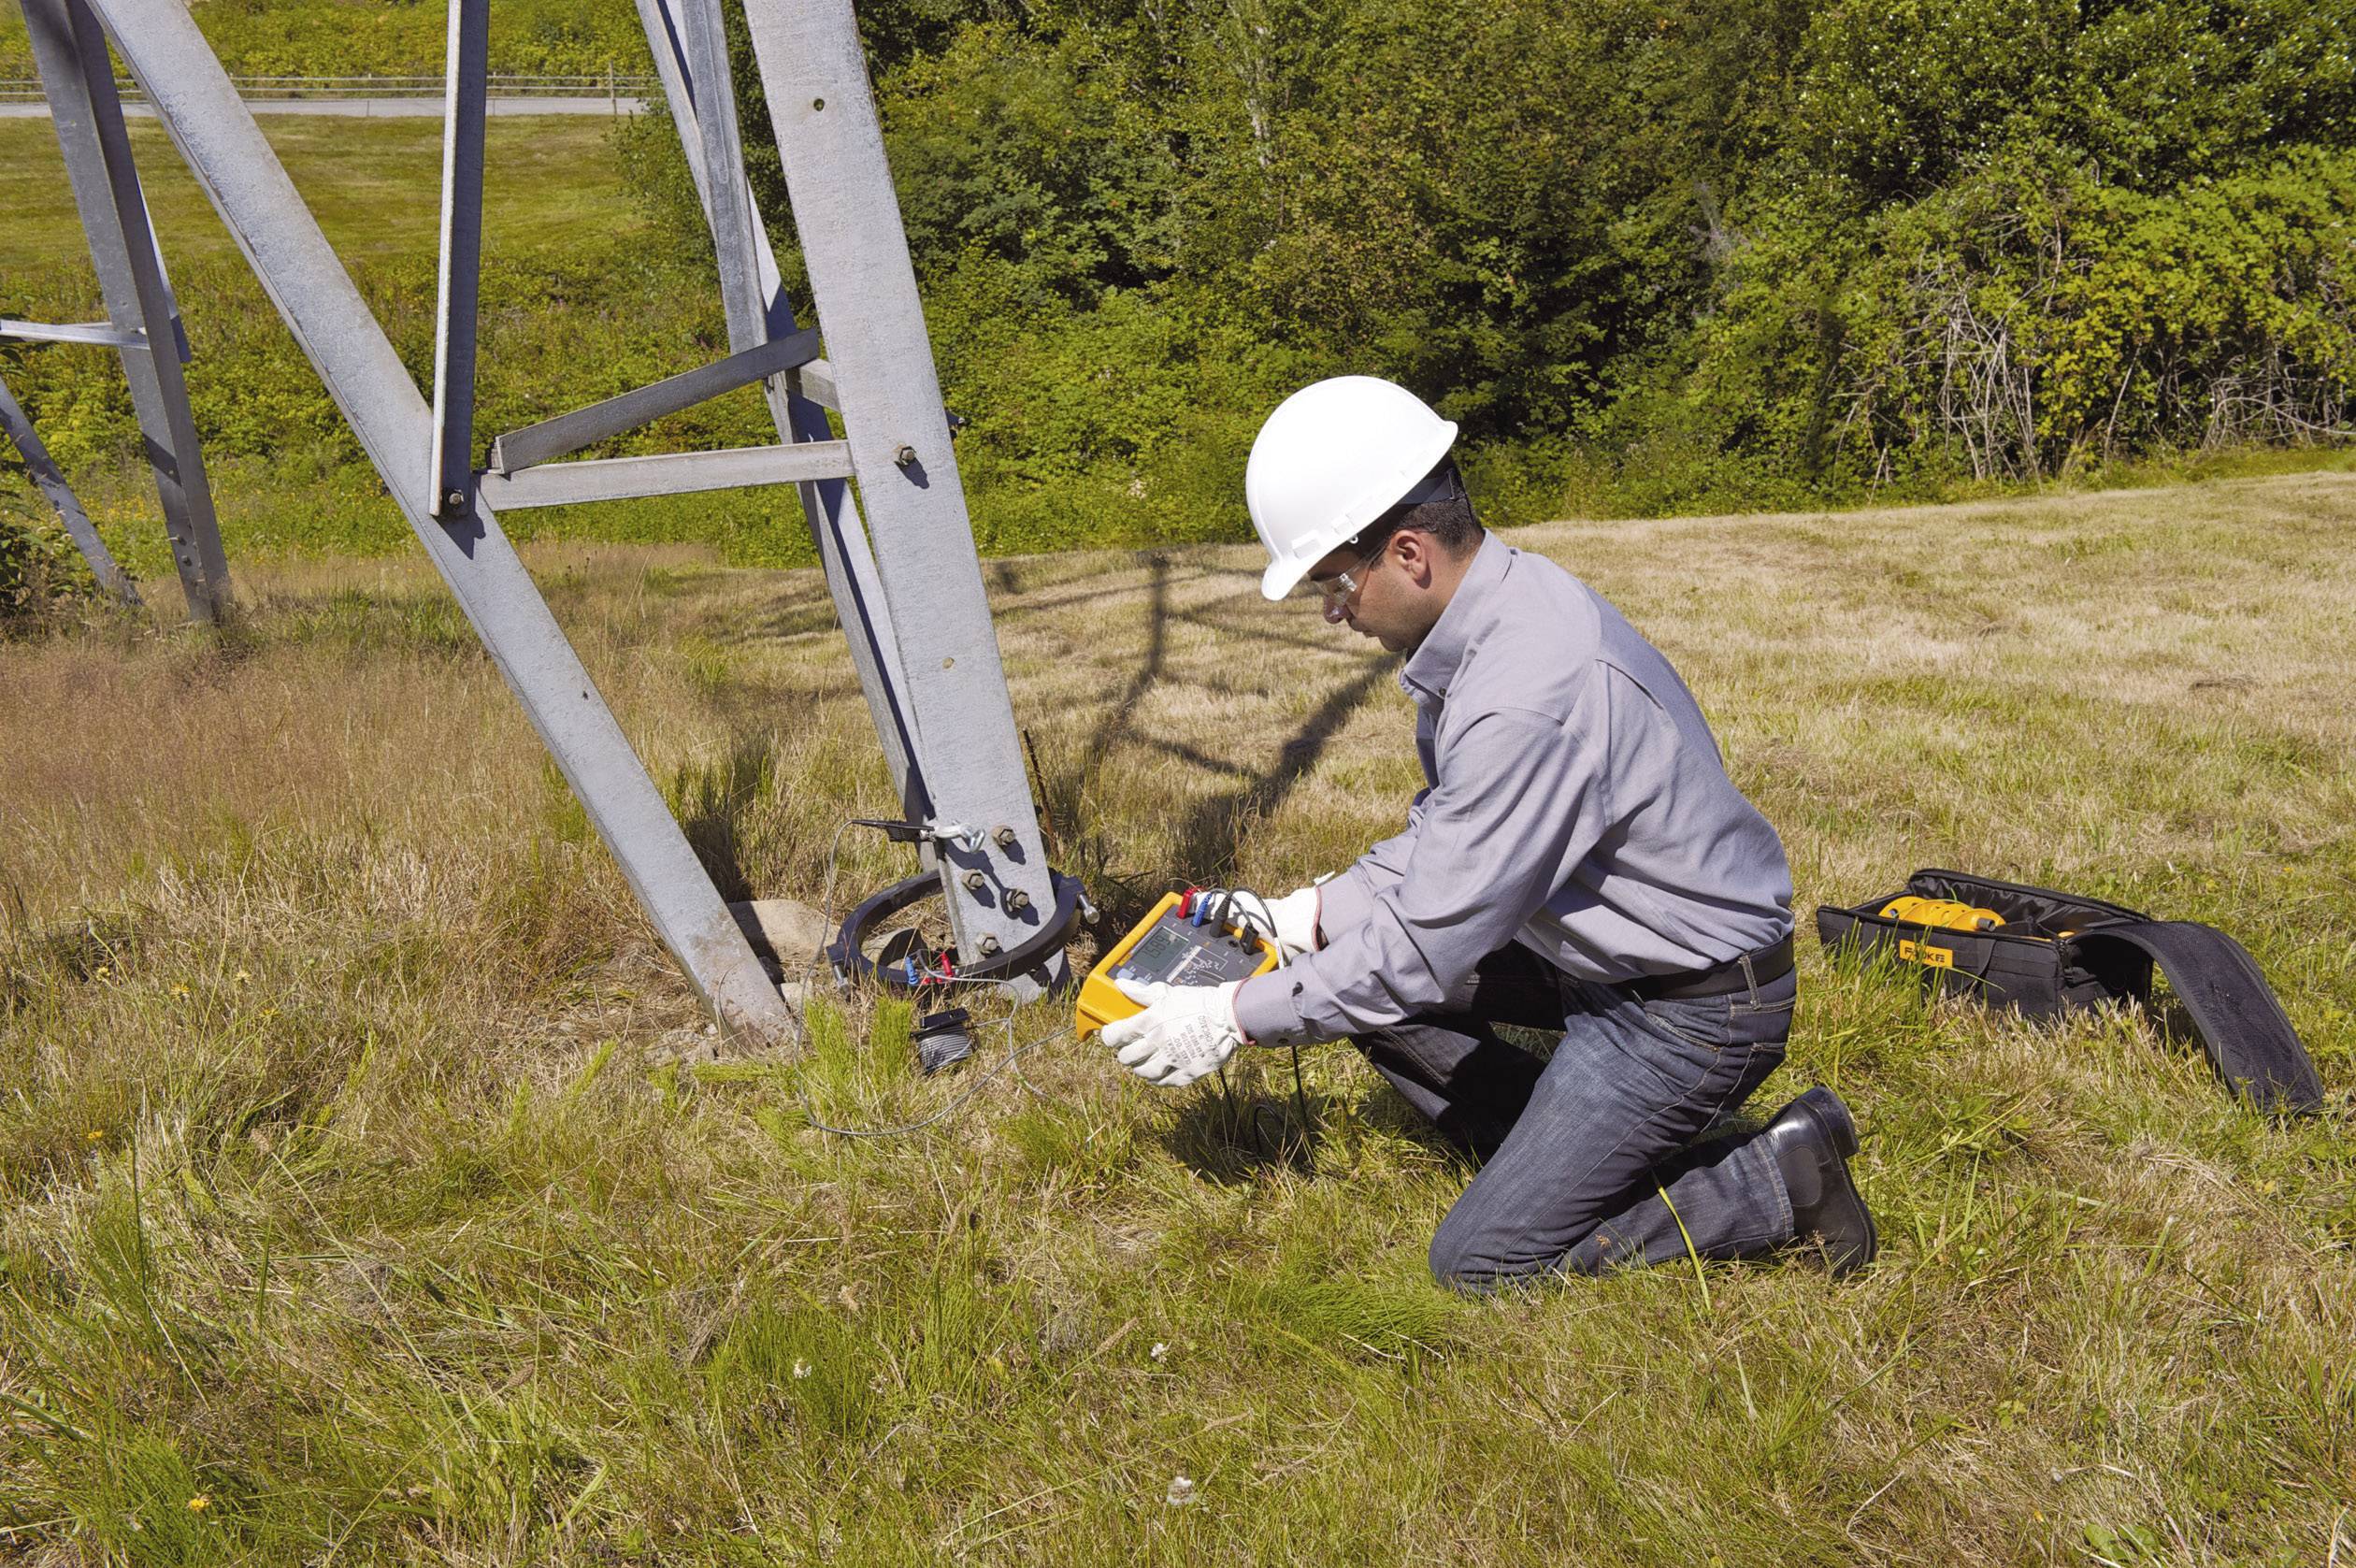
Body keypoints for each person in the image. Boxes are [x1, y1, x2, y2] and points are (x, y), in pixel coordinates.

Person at [1099, 375, 1876, 1289]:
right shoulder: (1500, 610)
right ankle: (1557, 1152)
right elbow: (1446, 850)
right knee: (1348, 969)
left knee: (1483, 1261)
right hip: (1600, 951)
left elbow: (1421, 951)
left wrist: (1235, 1018)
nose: (1331, 612)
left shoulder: (1524, 694)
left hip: (1689, 1008)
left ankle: (1776, 1179)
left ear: (1407, 553)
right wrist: (1300, 917)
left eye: (1334, 584)